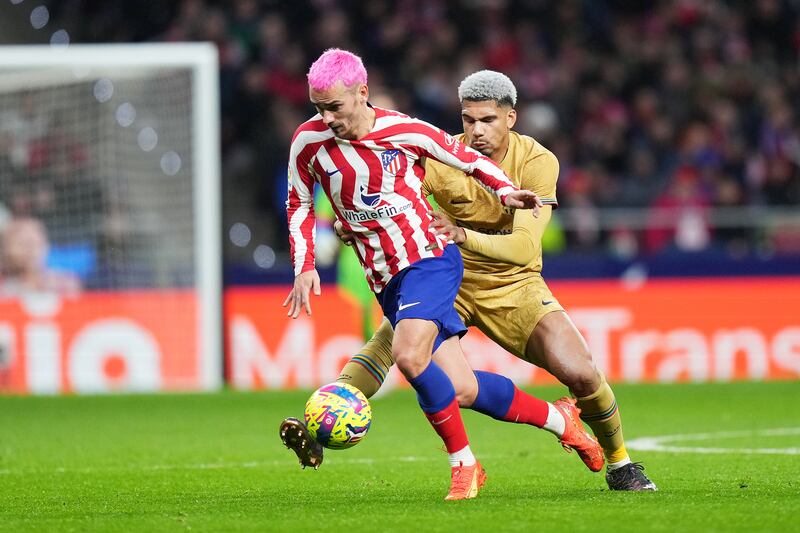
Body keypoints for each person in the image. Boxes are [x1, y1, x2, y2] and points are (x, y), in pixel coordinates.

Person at [282, 70, 657, 492]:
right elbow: (389, 196)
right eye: (467, 120)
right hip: (444, 275)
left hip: (514, 286)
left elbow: (523, 247)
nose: (475, 131)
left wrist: (464, 234)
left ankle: (621, 464)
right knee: (396, 350)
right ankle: (318, 431)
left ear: (510, 118)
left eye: (488, 121)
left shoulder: (537, 161)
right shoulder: (440, 156)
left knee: (582, 373)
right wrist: (357, 225)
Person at [0, 217, 81, 298]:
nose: (30, 250)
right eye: (23, 244)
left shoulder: (64, 284)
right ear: (7, 250)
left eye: (35, 243)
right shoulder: (5, 290)